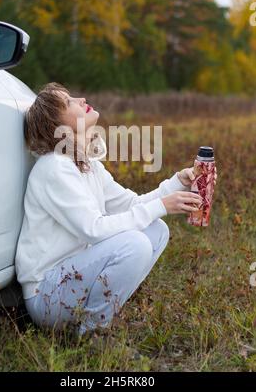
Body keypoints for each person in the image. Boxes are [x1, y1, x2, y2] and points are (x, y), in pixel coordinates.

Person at [15, 82, 217, 337]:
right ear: (58, 127)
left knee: (156, 230)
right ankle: (92, 334)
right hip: (46, 296)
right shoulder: (54, 168)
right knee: (134, 244)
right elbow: (94, 230)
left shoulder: (85, 165)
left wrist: (178, 181)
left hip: (72, 279)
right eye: (68, 102)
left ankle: (98, 316)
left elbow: (132, 204)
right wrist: (163, 205)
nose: (81, 98)